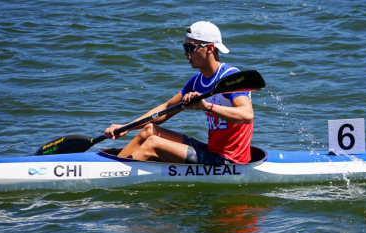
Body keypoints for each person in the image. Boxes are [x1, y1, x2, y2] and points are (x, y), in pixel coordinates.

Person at [104, 21, 254, 164]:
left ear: (210, 48)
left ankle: (114, 174)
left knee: (153, 143)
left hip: (231, 160)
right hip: (212, 151)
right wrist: (125, 127)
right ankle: (112, 167)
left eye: (191, 48)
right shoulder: (197, 81)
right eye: (185, 47)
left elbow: (247, 115)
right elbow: (166, 108)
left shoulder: (230, 78)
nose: (185, 54)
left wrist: (206, 106)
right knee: (149, 130)